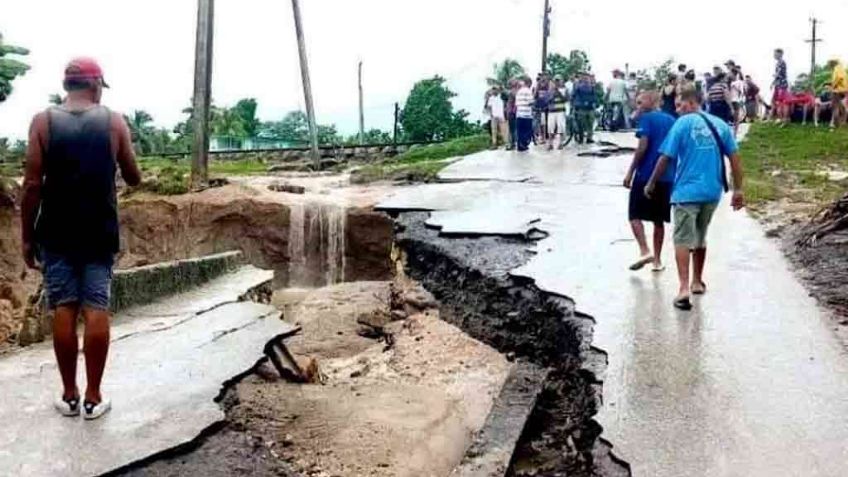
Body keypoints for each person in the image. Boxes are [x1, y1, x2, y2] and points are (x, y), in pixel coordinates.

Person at [21, 57, 141, 419]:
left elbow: (31, 186)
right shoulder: (113, 122)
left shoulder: (43, 122)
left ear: (67, 85)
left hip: (56, 232)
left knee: (64, 307)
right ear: (96, 84)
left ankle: (69, 395)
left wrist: (27, 237)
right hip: (98, 231)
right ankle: (93, 397)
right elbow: (134, 177)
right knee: (95, 307)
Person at [644, 86, 746, 311]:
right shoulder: (720, 125)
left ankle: (683, 288)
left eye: (680, 105)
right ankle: (697, 281)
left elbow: (665, 158)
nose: (678, 110)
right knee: (700, 236)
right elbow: (736, 160)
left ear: (691, 103)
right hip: (712, 192)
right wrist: (738, 190)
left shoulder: (682, 124)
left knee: (682, 238)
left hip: (686, 192)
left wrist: (651, 183)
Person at [623, 92, 677, 272]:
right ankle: (657, 260)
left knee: (634, 215)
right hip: (667, 176)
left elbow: (642, 147)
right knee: (658, 219)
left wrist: (630, 171)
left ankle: (645, 250)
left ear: (651, 102)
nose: (637, 105)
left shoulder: (646, 119)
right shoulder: (671, 120)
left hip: (645, 174)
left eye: (640, 102)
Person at [571, 72, 597, 144]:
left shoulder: (591, 86)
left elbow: (594, 96)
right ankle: (581, 137)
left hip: (590, 107)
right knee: (581, 124)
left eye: (587, 78)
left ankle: (589, 138)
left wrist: (594, 104)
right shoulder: (578, 86)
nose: (586, 79)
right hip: (581, 107)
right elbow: (573, 96)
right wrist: (574, 105)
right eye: (584, 77)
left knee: (590, 123)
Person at [547, 76, 568, 150]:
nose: (557, 82)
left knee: (561, 127)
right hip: (552, 111)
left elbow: (566, 99)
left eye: (558, 81)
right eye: (556, 81)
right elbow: (547, 100)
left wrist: (559, 92)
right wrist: (553, 92)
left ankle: (560, 143)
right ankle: (550, 143)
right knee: (550, 127)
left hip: (560, 111)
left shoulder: (564, 90)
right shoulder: (550, 90)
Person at [515, 76, 535, 152]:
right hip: (527, 114)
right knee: (527, 130)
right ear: (529, 83)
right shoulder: (528, 91)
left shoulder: (519, 92)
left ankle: (520, 146)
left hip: (519, 113)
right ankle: (524, 144)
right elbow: (531, 102)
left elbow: (516, 103)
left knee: (520, 131)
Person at [772, 49, 790, 124]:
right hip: (778, 84)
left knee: (783, 102)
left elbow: (778, 73)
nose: (774, 55)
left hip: (782, 84)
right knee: (778, 101)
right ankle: (780, 118)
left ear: (780, 54)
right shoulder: (778, 63)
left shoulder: (782, 62)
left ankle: (784, 119)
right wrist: (773, 83)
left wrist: (775, 76)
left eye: (775, 53)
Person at [829, 59, 847, 128]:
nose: (830, 65)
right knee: (840, 105)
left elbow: (838, 78)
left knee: (835, 107)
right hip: (843, 90)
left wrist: (833, 86)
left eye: (830, 64)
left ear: (833, 63)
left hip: (837, 90)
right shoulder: (843, 70)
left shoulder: (837, 69)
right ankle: (843, 121)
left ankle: (837, 124)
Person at [506, 79, 519, 150]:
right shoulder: (516, 91)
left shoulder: (512, 92)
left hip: (512, 112)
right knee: (513, 129)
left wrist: (511, 111)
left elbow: (513, 103)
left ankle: (512, 144)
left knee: (512, 129)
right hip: (513, 112)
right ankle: (513, 143)